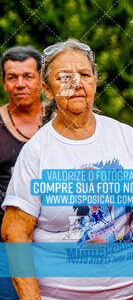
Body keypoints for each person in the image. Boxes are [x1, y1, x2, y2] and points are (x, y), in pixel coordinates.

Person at [1, 39, 133, 300]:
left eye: (84, 74)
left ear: (94, 81)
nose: (77, 83)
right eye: (64, 77)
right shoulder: (37, 151)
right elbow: (15, 234)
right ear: (47, 89)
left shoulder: (125, 136)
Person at [0, 46, 43, 300]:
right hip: (7, 247)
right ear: (4, 83)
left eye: (28, 76)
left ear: (40, 80)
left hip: (57, 243)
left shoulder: (60, 122)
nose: (20, 84)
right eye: (12, 77)